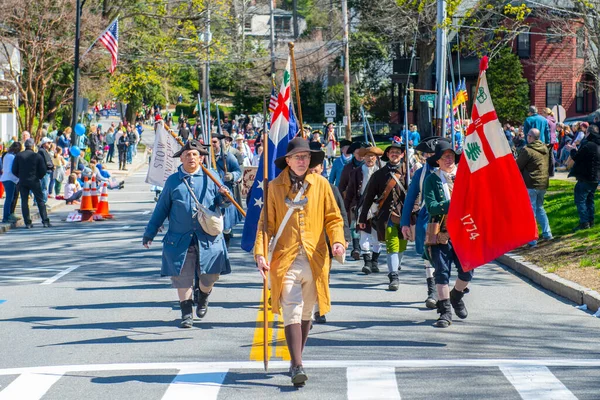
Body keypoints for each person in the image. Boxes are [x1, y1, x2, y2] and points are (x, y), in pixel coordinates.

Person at [255, 137, 345, 386]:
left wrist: (337, 241)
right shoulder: (274, 187)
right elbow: (266, 224)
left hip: (315, 258)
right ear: (288, 160)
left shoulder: (322, 184)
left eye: (306, 157)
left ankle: (297, 357)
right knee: (291, 309)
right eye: (298, 157)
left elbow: (334, 218)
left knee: (307, 312)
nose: (303, 161)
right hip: (286, 258)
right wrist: (261, 253)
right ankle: (297, 364)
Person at [143, 140, 232, 328]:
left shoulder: (212, 177)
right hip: (180, 238)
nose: (191, 157)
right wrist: (150, 232)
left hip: (208, 238)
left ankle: (203, 296)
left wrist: (224, 196)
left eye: (195, 155)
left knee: (210, 276)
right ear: (181, 158)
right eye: (187, 155)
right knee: (182, 277)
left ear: (201, 158)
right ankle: (186, 313)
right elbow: (162, 208)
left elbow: (222, 203)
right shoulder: (173, 181)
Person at [423, 140, 472, 328]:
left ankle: (456, 295)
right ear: (438, 161)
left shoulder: (466, 177)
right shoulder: (432, 180)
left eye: (451, 156)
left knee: (467, 270)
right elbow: (432, 207)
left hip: (465, 231)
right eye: (445, 157)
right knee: (442, 273)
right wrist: (453, 203)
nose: (449, 159)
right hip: (441, 232)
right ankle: (444, 312)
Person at [401, 137, 448, 308]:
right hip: (428, 220)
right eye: (429, 153)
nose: (431, 156)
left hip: (453, 221)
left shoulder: (455, 172)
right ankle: (433, 291)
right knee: (429, 255)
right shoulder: (421, 173)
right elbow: (411, 197)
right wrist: (405, 222)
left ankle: (457, 287)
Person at [358, 142, 409, 291]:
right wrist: (362, 218)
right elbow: (368, 198)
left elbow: (416, 194)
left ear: (402, 155)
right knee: (392, 245)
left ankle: (395, 267)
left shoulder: (408, 173)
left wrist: (415, 210)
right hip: (386, 216)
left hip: (406, 215)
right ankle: (393, 276)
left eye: (397, 152)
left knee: (402, 246)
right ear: (387, 155)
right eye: (392, 152)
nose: (394, 154)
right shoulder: (379, 175)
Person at [309, 149, 351, 324]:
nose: (313, 170)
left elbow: (340, 214)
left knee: (322, 276)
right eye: (310, 167)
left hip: (324, 242)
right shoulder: (297, 189)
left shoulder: (331, 188)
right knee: (307, 278)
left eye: (316, 167)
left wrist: (344, 237)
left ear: (321, 168)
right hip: (304, 242)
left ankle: (320, 309)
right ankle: (308, 314)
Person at [344, 145, 384, 275]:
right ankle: (367, 263)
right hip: (362, 207)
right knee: (364, 234)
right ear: (363, 157)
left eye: (372, 156)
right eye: (367, 156)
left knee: (377, 235)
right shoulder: (356, 172)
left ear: (376, 158)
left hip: (378, 208)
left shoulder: (381, 171)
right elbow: (350, 192)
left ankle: (375, 261)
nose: (369, 158)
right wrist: (345, 209)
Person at [516, 128, 553, 247]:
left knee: (531, 212)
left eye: (528, 135)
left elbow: (518, 166)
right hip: (543, 183)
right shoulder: (545, 148)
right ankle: (547, 234)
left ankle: (532, 239)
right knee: (540, 208)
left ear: (530, 137)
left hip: (531, 183)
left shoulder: (527, 150)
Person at [211, 134, 243, 248]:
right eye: (210, 142)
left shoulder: (228, 157)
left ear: (219, 143)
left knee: (226, 227)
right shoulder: (205, 157)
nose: (212, 145)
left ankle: (225, 249)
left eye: (214, 142)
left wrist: (232, 175)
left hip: (225, 195)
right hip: (210, 196)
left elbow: (238, 171)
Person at [11, 139, 51, 228]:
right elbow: (43, 170)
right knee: (40, 201)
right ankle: (45, 221)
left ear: (25, 146)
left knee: (24, 201)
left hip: (23, 181)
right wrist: (38, 177)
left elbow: (13, 170)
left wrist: (20, 176)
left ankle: (28, 222)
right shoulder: (37, 156)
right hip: (34, 180)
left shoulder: (19, 156)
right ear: (33, 146)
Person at [339, 141, 369, 260]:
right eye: (357, 153)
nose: (360, 156)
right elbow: (342, 186)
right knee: (354, 224)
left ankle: (368, 248)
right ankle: (356, 248)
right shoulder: (348, 168)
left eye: (362, 153)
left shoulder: (371, 166)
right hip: (354, 201)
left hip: (369, 200)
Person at [568, 124, 600, 231]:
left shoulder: (588, 145)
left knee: (580, 200)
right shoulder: (598, 145)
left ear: (589, 133)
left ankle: (584, 223)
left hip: (585, 177)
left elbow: (576, 157)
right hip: (595, 178)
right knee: (589, 200)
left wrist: (572, 149)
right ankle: (591, 221)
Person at [1, 142, 22, 223]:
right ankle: (6, 217)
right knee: (9, 199)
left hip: (5, 178)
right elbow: (11, 170)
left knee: (10, 198)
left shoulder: (6, 155)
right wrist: (17, 178)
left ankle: (8, 215)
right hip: (10, 179)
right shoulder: (12, 157)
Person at [37, 137, 55, 203]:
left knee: (43, 187)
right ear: (44, 144)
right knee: (44, 187)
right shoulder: (42, 151)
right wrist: (52, 166)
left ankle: (39, 201)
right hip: (45, 171)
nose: (50, 144)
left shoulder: (44, 151)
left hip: (46, 171)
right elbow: (46, 162)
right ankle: (43, 202)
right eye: (49, 143)